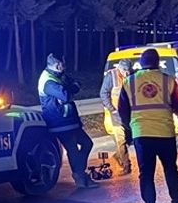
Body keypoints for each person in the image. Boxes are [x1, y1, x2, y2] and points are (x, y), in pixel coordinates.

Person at [117, 48, 178, 203]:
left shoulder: (129, 82)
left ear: (141, 63)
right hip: (165, 133)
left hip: (141, 134)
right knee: (170, 168)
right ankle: (176, 199)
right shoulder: (168, 81)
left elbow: (123, 110)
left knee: (146, 173)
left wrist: (129, 130)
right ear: (157, 63)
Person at [38, 53, 98, 190]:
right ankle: (80, 177)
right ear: (58, 65)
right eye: (63, 64)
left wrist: (71, 87)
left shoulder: (58, 76)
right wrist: (71, 88)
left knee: (87, 143)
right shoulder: (48, 81)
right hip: (59, 122)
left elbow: (76, 84)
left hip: (69, 121)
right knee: (73, 149)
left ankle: (80, 173)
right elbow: (65, 95)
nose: (65, 67)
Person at [99, 58, 134, 175]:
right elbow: (103, 93)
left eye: (129, 70)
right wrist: (111, 108)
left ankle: (118, 156)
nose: (127, 73)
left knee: (129, 139)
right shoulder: (111, 76)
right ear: (119, 68)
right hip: (117, 115)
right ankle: (126, 166)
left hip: (129, 114)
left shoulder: (132, 76)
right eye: (125, 70)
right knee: (121, 140)